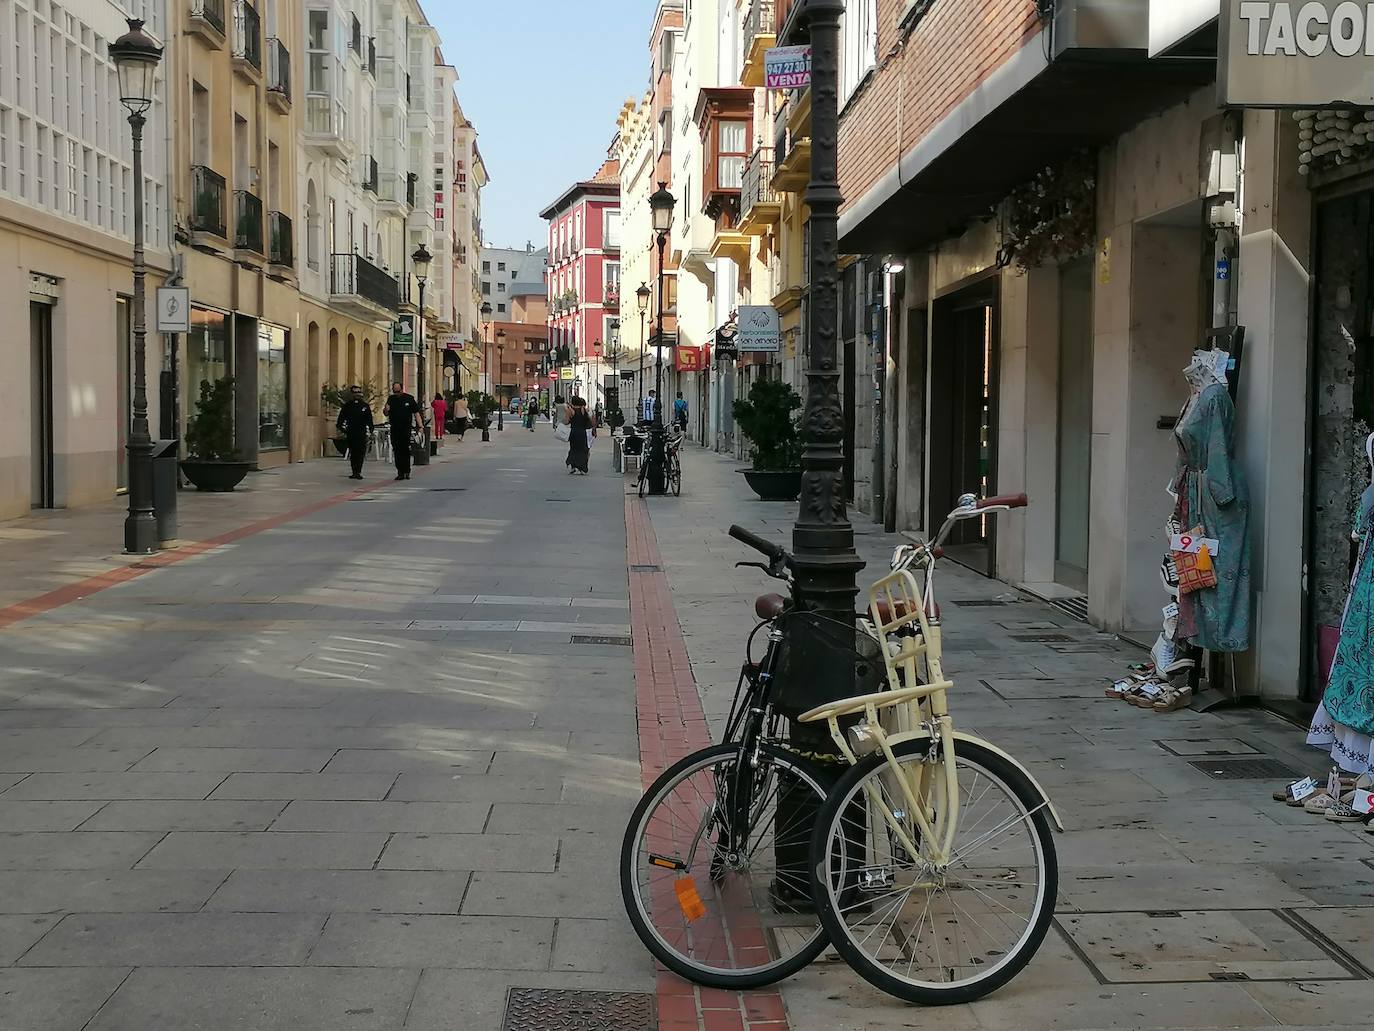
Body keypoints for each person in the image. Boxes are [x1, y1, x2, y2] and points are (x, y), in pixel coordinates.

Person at [382, 381, 422, 480]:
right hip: (395, 428)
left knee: (405, 450)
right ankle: (400, 472)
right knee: (397, 450)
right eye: (394, 392)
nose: (396, 394)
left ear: (402, 389)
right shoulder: (391, 399)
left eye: (398, 391)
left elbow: (416, 413)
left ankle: (407, 471)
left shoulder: (409, 398)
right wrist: (386, 409)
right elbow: (386, 413)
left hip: (406, 428)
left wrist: (420, 426)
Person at [335, 385, 374, 480]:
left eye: (358, 392)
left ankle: (358, 471)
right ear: (352, 394)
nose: (357, 394)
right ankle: (354, 471)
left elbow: (369, 420)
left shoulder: (365, 406)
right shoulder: (347, 406)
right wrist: (343, 430)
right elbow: (340, 420)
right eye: (355, 392)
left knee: (361, 452)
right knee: (353, 452)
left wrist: (371, 430)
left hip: (362, 432)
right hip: (351, 432)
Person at [566, 396, 595, 475]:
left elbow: (567, 421)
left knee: (573, 449)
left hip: (574, 432)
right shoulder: (583, 409)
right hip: (582, 432)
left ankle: (573, 466)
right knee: (583, 449)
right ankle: (582, 467)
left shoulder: (570, 410)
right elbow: (589, 419)